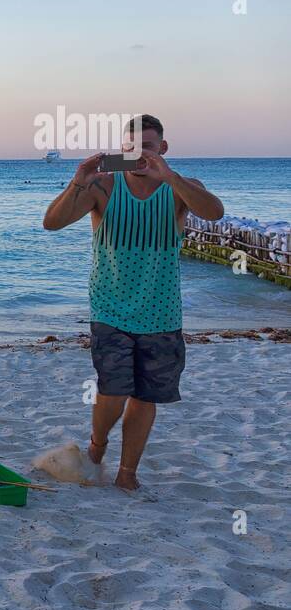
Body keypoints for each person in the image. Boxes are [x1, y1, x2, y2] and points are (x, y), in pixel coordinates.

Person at [42, 114, 223, 490]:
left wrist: (169, 176)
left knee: (145, 396)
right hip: (110, 309)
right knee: (113, 388)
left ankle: (127, 474)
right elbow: (52, 223)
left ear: (163, 149)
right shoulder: (103, 187)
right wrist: (78, 181)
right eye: (130, 149)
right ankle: (97, 444)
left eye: (148, 148)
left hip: (162, 313)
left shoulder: (179, 189)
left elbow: (214, 212)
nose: (139, 156)